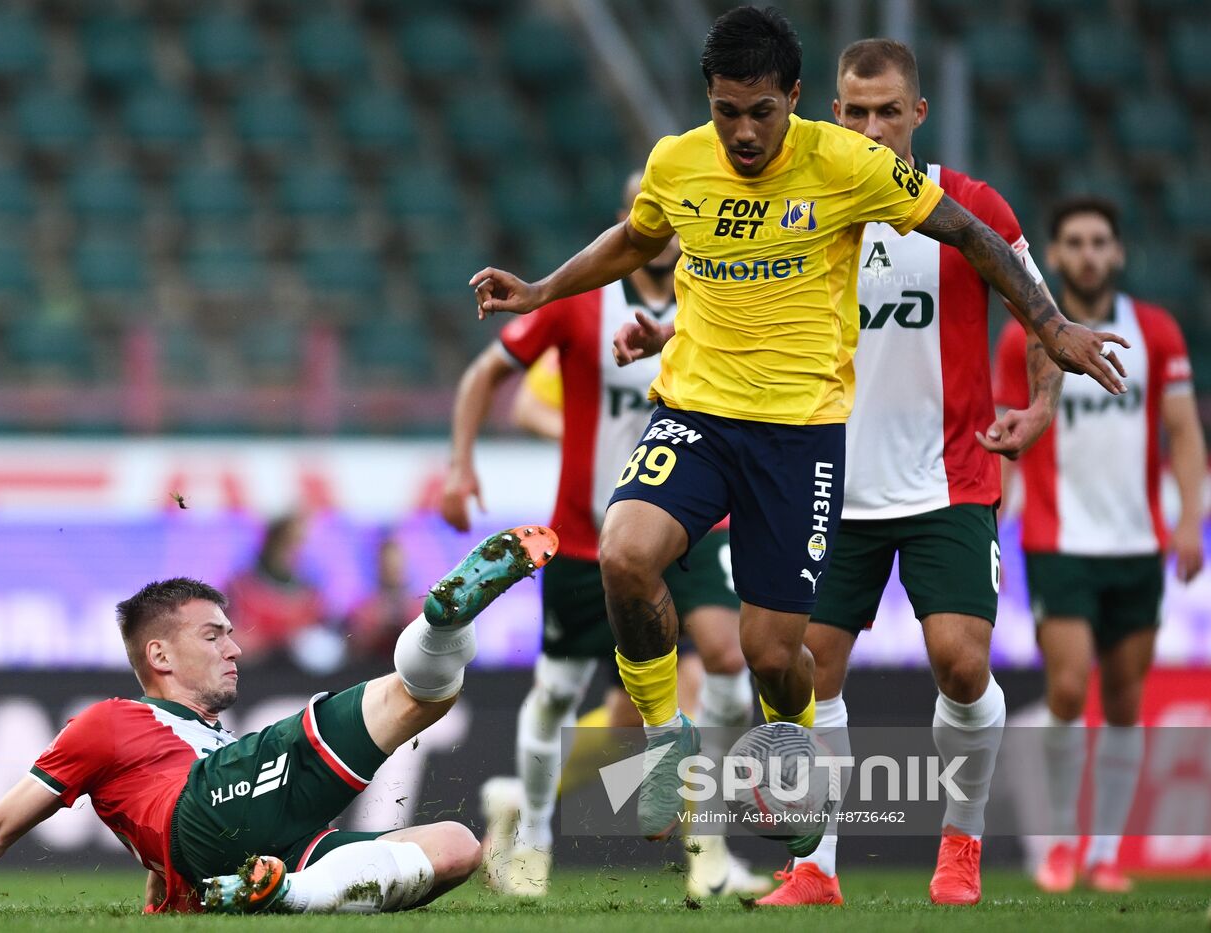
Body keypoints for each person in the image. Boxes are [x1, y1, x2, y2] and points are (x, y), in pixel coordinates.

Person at [471, 5, 1125, 848]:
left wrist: (1052, 326)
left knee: (773, 654)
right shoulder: (677, 160)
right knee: (627, 553)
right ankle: (666, 736)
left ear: (795, 98)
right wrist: (539, 290)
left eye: (761, 112)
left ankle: (794, 752)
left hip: (801, 435)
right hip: (697, 412)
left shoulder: (850, 165)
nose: (743, 133)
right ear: (708, 100)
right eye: (726, 111)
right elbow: (636, 242)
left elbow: (972, 233)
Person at [723, 39, 1064, 908]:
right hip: (830, 481)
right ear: (831, 112)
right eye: (853, 110)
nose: (871, 126)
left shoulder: (971, 207)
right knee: (806, 668)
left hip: (950, 478)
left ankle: (961, 842)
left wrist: (1041, 404)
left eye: (887, 110)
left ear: (917, 113)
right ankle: (817, 867)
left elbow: (1041, 313)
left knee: (958, 663)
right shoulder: (807, 207)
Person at [0, 525, 559, 916]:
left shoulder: (206, 742)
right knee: (418, 696)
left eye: (231, 633)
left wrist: (164, 900)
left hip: (246, 852)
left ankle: (280, 889)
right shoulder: (111, 720)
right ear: (159, 652)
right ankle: (440, 624)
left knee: (456, 847)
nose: (234, 647)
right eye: (214, 635)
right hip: (209, 810)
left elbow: (156, 846)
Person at [441, 172, 765, 897]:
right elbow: (485, 378)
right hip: (590, 537)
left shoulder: (713, 300)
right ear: (632, 221)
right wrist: (459, 467)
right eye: (653, 212)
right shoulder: (581, 306)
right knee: (559, 692)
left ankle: (707, 843)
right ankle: (532, 831)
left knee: (723, 658)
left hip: (694, 526)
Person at [995, 197, 1205, 895]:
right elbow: (1007, 431)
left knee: (1122, 700)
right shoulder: (1024, 333)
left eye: (1099, 243)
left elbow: (1182, 432)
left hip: (1136, 543)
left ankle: (1105, 852)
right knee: (1065, 686)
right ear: (1052, 257)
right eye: (1075, 243)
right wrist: (995, 521)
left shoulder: (1157, 332)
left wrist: (1187, 519)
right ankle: (1058, 845)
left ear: (1116, 254)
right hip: (1058, 538)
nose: (1087, 254)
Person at [224, 515, 327, 666]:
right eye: (289, 541)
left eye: (299, 543)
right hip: (253, 669)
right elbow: (232, 633)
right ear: (274, 539)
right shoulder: (240, 585)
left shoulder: (310, 590)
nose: (295, 550)